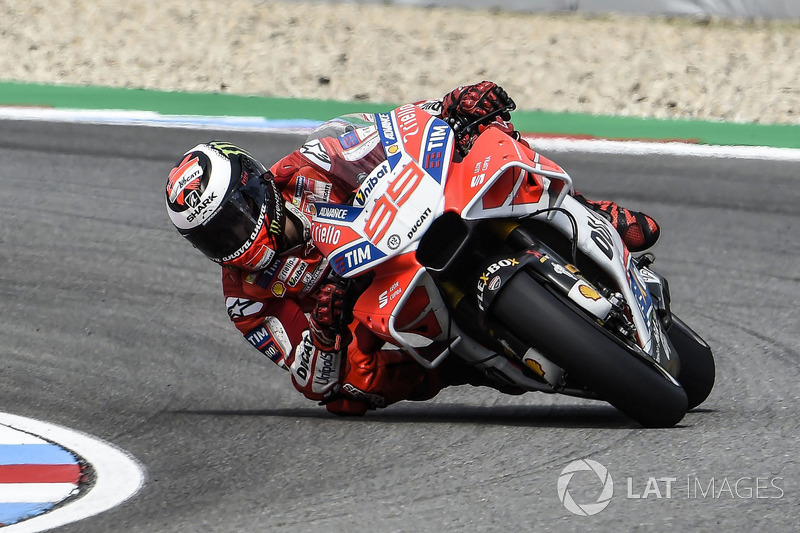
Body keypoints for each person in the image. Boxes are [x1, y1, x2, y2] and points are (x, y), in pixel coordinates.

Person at [164, 81, 661, 415]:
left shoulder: (302, 168)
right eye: (215, 235)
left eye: (233, 218)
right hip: (380, 314)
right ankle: (472, 359)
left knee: (483, 142)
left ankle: (581, 209)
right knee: (352, 393)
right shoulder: (246, 299)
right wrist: (324, 329)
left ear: (255, 185)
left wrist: (450, 106)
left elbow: (385, 134)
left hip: (405, 233)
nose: (233, 237)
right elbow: (313, 384)